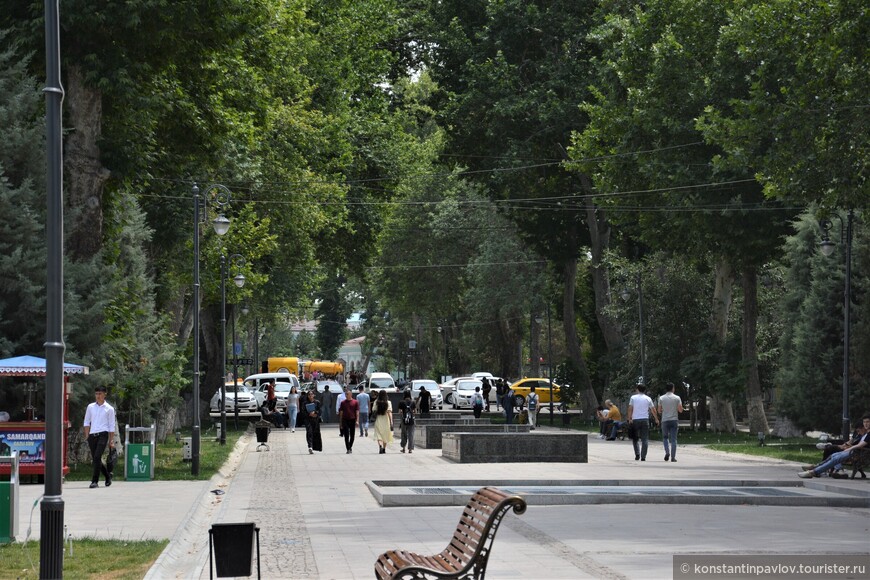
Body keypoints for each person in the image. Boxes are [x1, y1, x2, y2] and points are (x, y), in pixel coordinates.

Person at [799, 414, 870, 478]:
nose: (865, 424)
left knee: (835, 458)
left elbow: (860, 445)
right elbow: (855, 443)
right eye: (864, 422)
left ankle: (814, 472)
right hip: (854, 452)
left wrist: (848, 449)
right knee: (833, 455)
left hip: (857, 454)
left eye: (867, 422)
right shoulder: (865, 434)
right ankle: (817, 469)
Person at [83, 385, 116, 488]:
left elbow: (111, 425)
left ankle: (95, 481)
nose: (98, 396)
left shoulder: (109, 409)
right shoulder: (90, 407)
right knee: (96, 459)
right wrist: (87, 435)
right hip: (92, 435)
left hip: (103, 434)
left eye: (100, 394)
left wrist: (111, 440)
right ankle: (107, 476)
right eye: (96, 394)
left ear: (105, 394)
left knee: (97, 456)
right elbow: (86, 421)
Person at [628, 383, 659, 461]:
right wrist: (656, 419)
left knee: (635, 438)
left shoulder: (633, 398)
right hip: (645, 420)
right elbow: (653, 410)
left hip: (635, 420)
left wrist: (629, 418)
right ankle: (643, 456)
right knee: (645, 439)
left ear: (637, 389)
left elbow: (630, 408)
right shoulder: (648, 398)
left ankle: (637, 454)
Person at [658, 382, 684, 462]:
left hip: (665, 420)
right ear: (673, 388)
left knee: (665, 437)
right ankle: (673, 457)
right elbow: (680, 410)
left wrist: (664, 410)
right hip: (674, 420)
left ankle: (667, 452)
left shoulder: (661, 398)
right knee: (674, 439)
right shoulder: (677, 398)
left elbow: (659, 410)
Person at [338, 387, 359, 454]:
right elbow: (341, 412)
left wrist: (357, 420)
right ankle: (348, 448)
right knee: (346, 435)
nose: (346, 395)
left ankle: (350, 446)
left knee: (352, 435)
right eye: (346, 394)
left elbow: (357, 412)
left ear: (351, 394)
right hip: (345, 420)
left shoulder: (355, 402)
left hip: (352, 420)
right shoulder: (343, 403)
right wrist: (340, 422)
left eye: (347, 394)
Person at [303, 389, 323, 454]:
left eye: (312, 394)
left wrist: (315, 413)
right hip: (308, 419)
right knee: (309, 432)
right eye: (309, 394)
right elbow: (303, 412)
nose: (310, 396)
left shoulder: (317, 402)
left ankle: (316, 447)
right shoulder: (305, 403)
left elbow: (320, 411)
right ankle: (310, 446)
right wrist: (309, 414)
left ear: (314, 395)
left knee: (315, 432)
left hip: (315, 420)